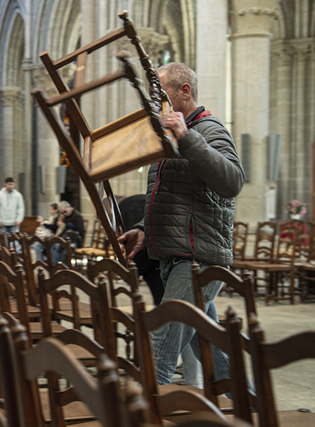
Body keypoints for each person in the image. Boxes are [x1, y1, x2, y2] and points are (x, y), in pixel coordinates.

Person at [117, 62, 245, 386]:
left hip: (197, 261)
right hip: (179, 258)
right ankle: (253, 408)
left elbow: (233, 181)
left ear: (184, 92)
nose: (152, 100)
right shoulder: (170, 137)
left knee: (157, 352)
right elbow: (169, 196)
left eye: (159, 94)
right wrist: (145, 230)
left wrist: (188, 138)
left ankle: (141, 415)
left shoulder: (209, 129)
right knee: (218, 359)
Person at [53, 201, 85, 265]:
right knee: (53, 245)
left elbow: (79, 231)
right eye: (62, 213)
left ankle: (64, 268)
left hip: (75, 241)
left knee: (62, 248)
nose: (64, 214)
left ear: (69, 207)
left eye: (65, 211)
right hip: (66, 239)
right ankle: (55, 266)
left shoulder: (77, 216)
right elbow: (63, 231)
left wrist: (66, 226)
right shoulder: (65, 217)